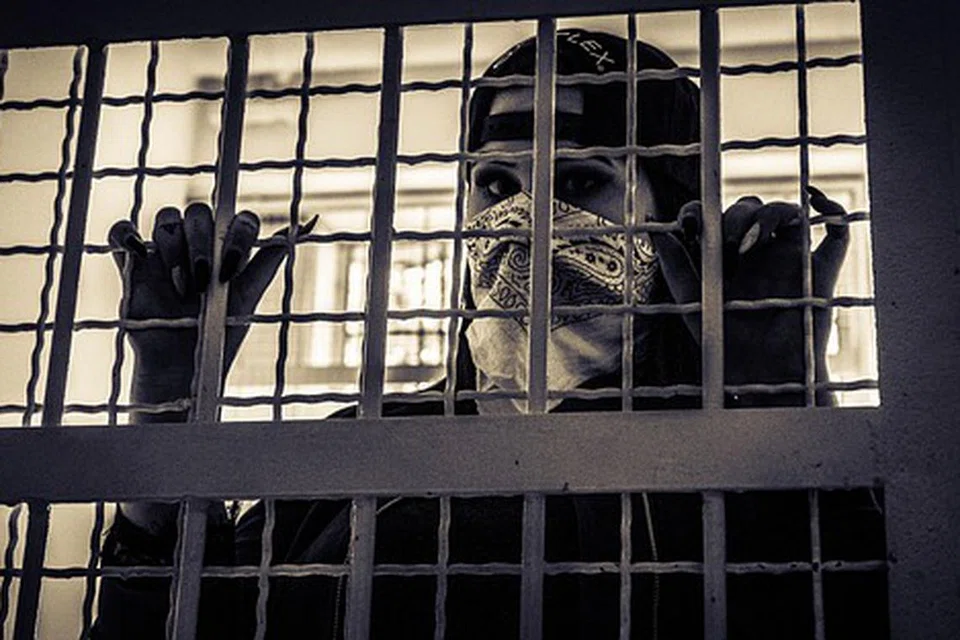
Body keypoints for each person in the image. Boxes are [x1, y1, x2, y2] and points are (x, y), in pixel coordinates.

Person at [93, 30, 885, 639]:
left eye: (581, 181)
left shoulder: (737, 464)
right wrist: (169, 411)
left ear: (671, 211)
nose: (524, 219)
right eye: (496, 183)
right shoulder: (348, 458)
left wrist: (789, 406)